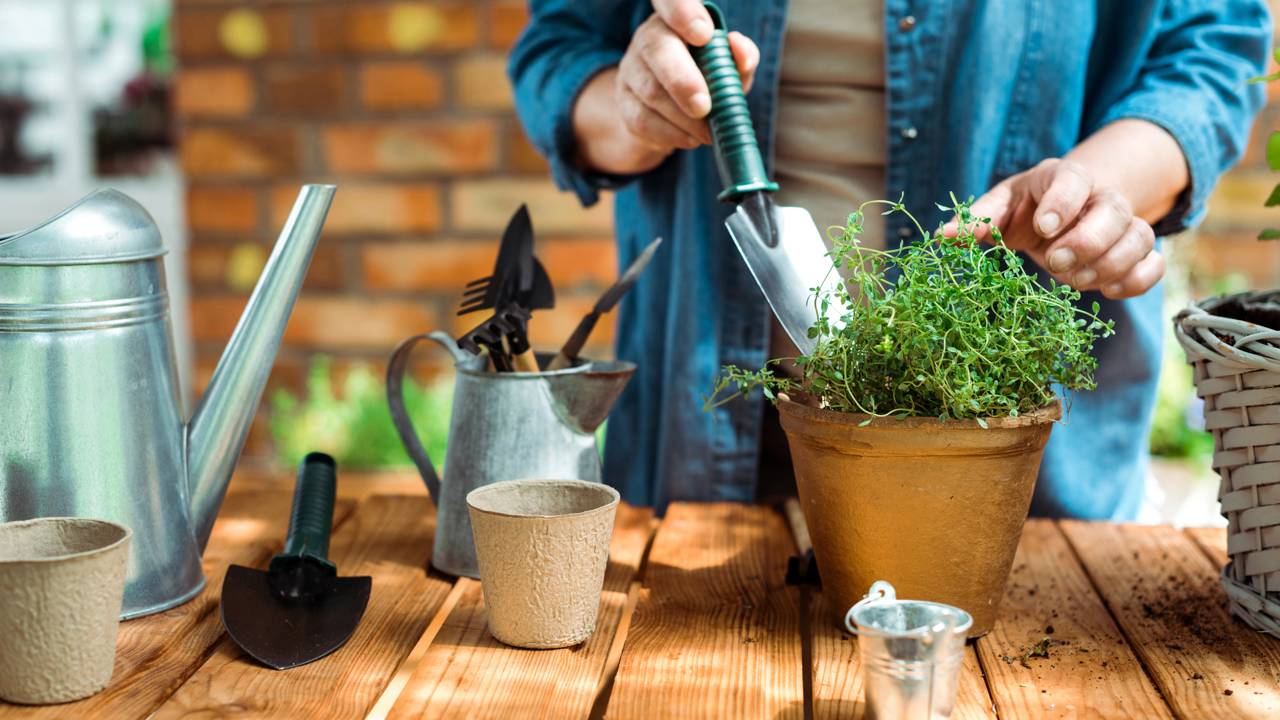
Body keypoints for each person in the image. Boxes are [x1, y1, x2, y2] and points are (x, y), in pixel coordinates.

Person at [509, 0, 1271, 518]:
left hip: (1008, 464)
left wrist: (1089, 193)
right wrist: (634, 107)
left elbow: (1208, 53)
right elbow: (561, 49)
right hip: (709, 441)